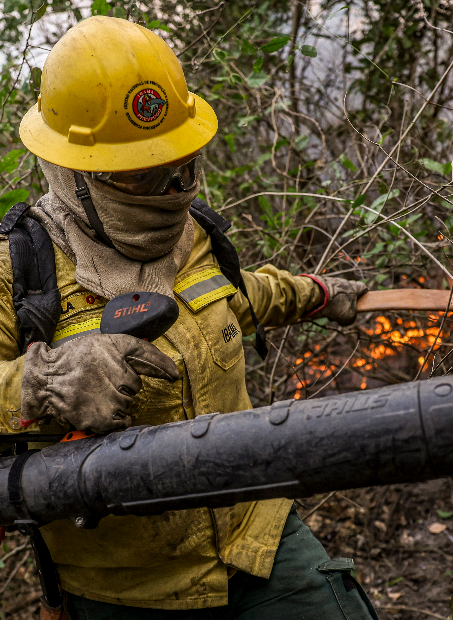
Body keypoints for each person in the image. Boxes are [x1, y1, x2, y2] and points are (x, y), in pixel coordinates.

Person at [3, 15, 379, 620]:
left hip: (254, 534)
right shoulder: (18, 269)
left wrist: (316, 292)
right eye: (139, 173)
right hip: (124, 585)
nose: (170, 186)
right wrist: (42, 380)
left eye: (177, 163)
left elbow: (237, 296)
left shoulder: (194, 235)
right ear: (76, 171)